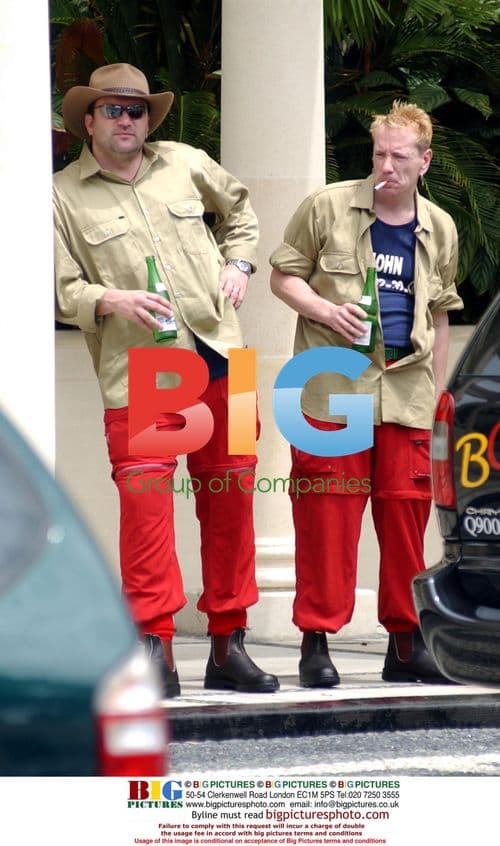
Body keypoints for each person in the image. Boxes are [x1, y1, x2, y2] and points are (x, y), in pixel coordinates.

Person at [54, 63, 279, 698]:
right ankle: (155, 647)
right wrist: (109, 299)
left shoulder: (185, 162)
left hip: (225, 355)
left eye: (137, 110)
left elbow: (241, 211)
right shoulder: (60, 196)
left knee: (233, 500)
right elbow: (60, 286)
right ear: (89, 120)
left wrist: (239, 264)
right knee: (147, 510)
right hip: (147, 368)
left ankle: (229, 645)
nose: (127, 119)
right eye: (113, 109)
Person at [269, 101, 463, 686]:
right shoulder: (326, 207)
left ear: (425, 161)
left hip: (407, 391)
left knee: (406, 520)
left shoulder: (440, 227)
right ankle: (316, 642)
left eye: (400, 156)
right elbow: (283, 276)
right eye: (379, 153)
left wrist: (438, 398)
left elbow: (440, 313)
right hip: (335, 389)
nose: (387, 166)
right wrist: (326, 310)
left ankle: (405, 643)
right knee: (326, 518)